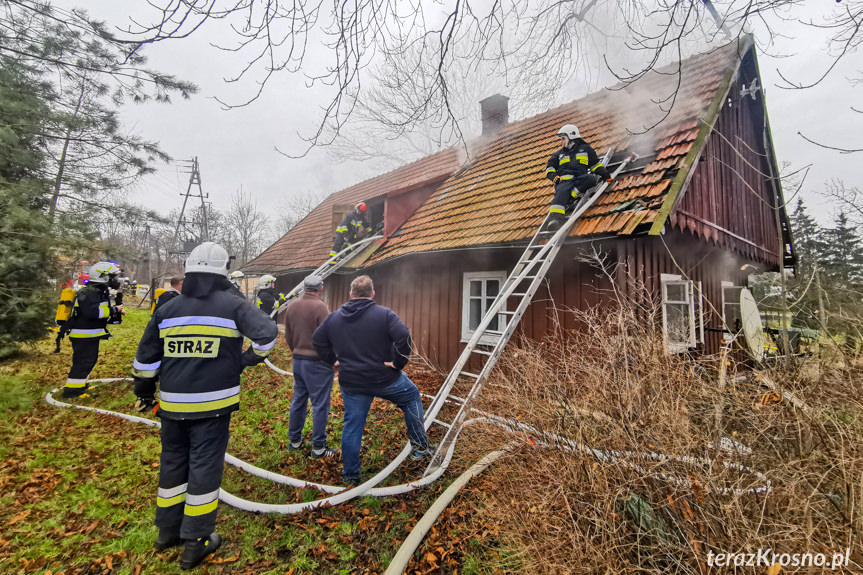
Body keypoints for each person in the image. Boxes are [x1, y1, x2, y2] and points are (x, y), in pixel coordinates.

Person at [131, 242, 278, 570]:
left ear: (189, 269)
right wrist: (244, 360)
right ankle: (196, 541)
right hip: (213, 407)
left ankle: (167, 531)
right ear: (223, 271)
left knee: (172, 464)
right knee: (203, 469)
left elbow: (145, 359)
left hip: (170, 406)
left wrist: (143, 392)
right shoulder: (232, 305)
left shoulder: (167, 309)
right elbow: (268, 335)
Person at [312, 275, 433, 484]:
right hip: (385, 379)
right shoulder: (384, 315)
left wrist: (333, 361)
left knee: (352, 425)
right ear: (372, 293)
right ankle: (420, 448)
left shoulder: (334, 318)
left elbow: (317, 340)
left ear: (351, 294)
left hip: (352, 382)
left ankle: (350, 476)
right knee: (412, 396)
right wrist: (398, 363)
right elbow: (404, 336)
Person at [284, 275, 336, 458]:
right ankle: (319, 448)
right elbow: (328, 337)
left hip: (298, 361)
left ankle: (295, 441)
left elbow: (288, 336)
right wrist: (332, 359)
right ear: (320, 288)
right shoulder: (320, 307)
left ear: (304, 287)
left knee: (298, 400)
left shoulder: (292, 306)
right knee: (320, 404)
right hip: (318, 363)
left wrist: (296, 351)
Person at [62, 261, 124, 398]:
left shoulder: (97, 291)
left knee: (88, 360)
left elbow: (98, 312)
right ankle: (72, 392)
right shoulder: (90, 292)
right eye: (113, 277)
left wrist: (115, 312)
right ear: (103, 277)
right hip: (83, 334)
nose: (116, 280)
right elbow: (93, 312)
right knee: (83, 362)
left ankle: (80, 385)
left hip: (89, 333)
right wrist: (114, 309)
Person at [544, 124, 613, 231]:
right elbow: (549, 168)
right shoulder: (559, 154)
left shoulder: (586, 150)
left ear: (570, 137)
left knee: (591, 179)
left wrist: (606, 176)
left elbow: (595, 165)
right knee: (560, 194)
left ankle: (570, 197)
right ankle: (555, 221)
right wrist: (554, 177)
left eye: (563, 139)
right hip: (564, 182)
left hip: (579, 179)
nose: (561, 142)